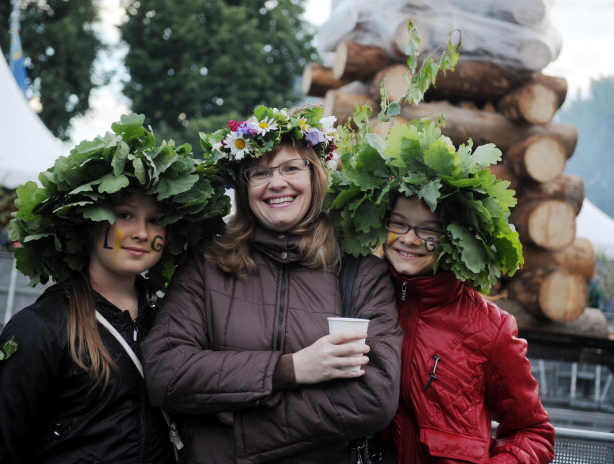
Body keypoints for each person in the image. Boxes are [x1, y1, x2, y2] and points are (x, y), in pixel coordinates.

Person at [140, 105, 403, 463]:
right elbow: (165, 373)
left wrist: (242, 421)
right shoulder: (208, 263)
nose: (276, 182)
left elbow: (374, 397)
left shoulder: (360, 273)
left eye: (290, 168)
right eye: (259, 172)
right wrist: (292, 368)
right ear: (244, 187)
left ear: (316, 175)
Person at [0, 114, 230, 464]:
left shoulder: (175, 320)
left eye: (155, 220)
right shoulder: (39, 328)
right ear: (90, 225)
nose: (141, 232)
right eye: (124, 215)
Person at [327, 115, 555, 463]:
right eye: (398, 223)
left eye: (428, 230)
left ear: (453, 238)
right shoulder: (358, 300)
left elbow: (533, 432)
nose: (408, 239)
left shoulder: (490, 329)